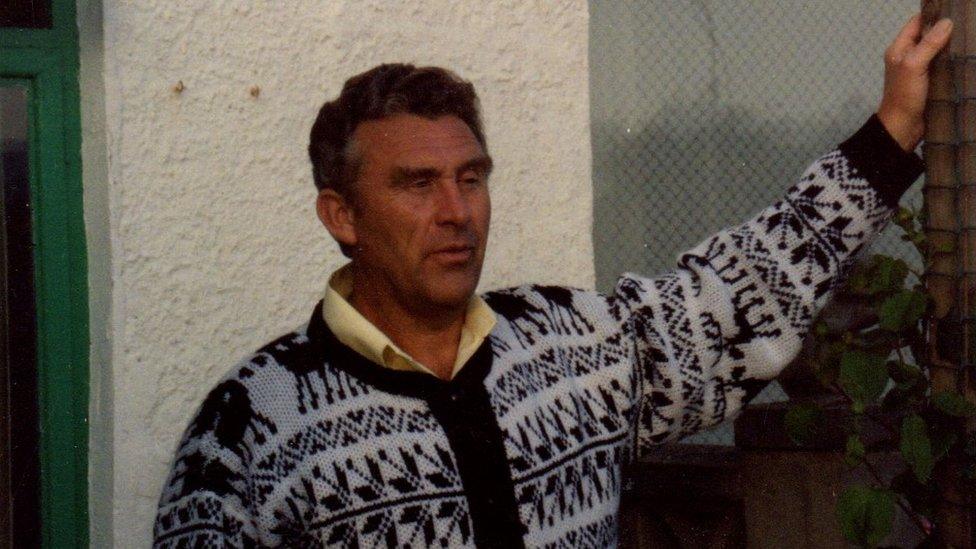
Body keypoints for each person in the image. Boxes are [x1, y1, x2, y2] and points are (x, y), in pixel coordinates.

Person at [153, 14, 953, 548]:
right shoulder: (251, 425)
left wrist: (891, 134)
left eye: (472, 177)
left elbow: (732, 297)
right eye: (416, 184)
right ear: (342, 214)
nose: (455, 210)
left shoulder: (566, 348)